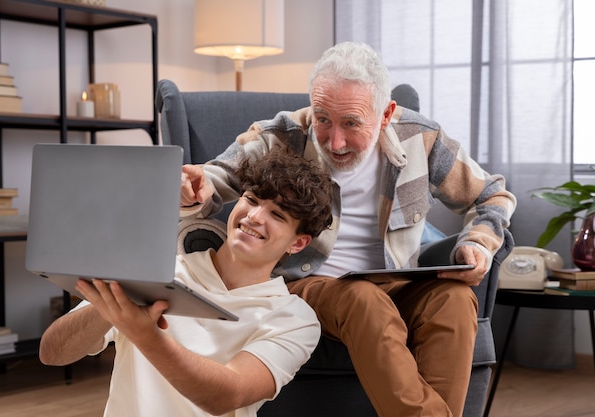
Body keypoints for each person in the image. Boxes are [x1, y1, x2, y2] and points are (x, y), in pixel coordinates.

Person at [180, 42, 517, 417]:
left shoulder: (421, 139)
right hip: (307, 284)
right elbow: (217, 176)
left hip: (396, 281)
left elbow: (491, 194)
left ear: (386, 113)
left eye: (351, 124)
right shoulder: (283, 135)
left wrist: (479, 242)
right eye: (323, 119)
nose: (334, 141)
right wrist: (198, 187)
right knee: (361, 299)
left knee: (454, 300)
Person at [39, 147, 334, 417]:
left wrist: (145, 334)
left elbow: (227, 395)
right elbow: (52, 353)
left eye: (277, 215)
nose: (254, 216)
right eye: (251, 199)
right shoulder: (158, 272)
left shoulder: (294, 320)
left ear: (297, 244)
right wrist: (113, 301)